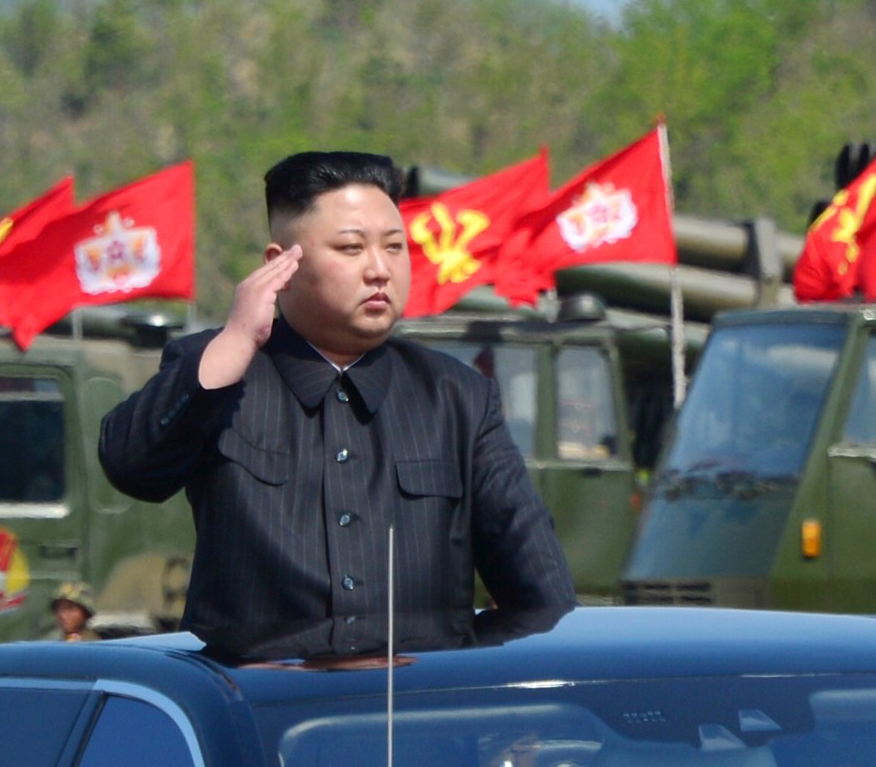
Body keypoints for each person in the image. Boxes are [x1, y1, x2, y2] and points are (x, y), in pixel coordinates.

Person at [99, 150, 575, 661]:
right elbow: (133, 468)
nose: (379, 270)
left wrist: (448, 665)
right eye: (351, 248)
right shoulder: (222, 370)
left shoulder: (458, 397)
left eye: (395, 248)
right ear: (280, 264)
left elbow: (545, 602)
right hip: (260, 712)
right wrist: (236, 342)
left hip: (416, 716)